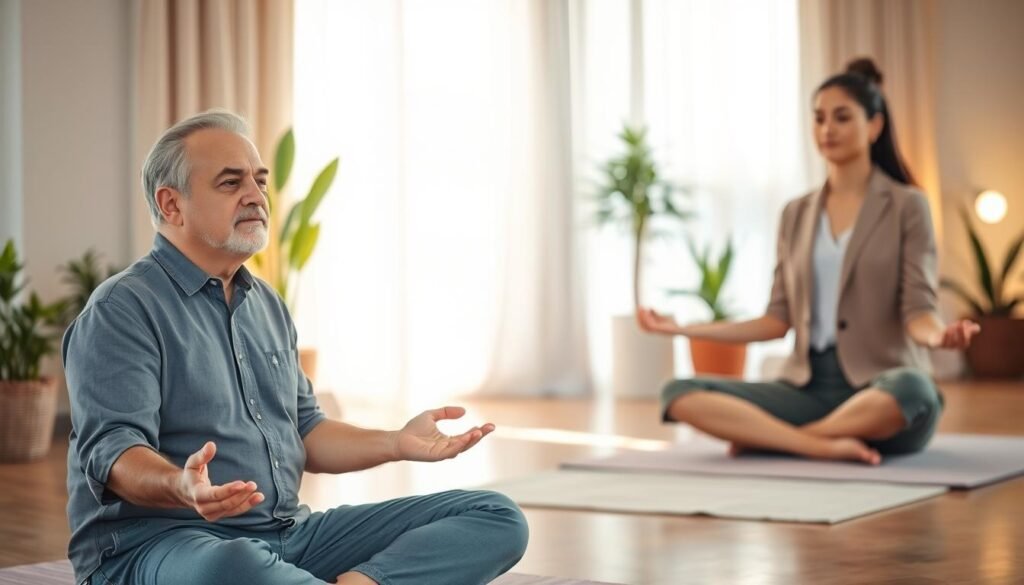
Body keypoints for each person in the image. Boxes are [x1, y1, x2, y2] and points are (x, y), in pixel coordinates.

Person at [63, 110, 528, 585]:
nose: (256, 195)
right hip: (164, 546)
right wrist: (180, 485)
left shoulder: (266, 303)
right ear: (172, 204)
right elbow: (114, 453)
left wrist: (396, 443)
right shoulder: (122, 309)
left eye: (260, 181)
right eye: (231, 182)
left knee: (496, 515)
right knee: (233, 566)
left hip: (289, 536)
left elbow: (307, 430)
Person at [637, 58, 979, 465]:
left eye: (841, 117)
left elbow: (918, 311)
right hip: (807, 388)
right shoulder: (795, 214)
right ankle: (819, 444)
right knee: (678, 392)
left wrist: (940, 337)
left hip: (881, 390)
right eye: (819, 118)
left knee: (915, 392)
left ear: (874, 126)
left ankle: (776, 440)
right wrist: (681, 329)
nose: (827, 129)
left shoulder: (908, 205)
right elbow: (775, 320)